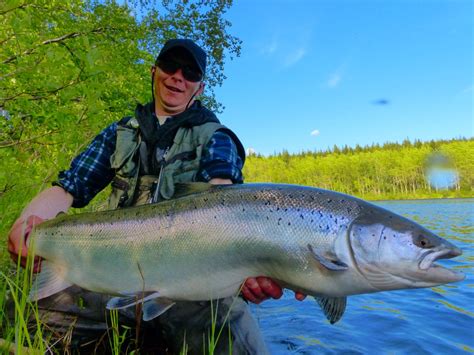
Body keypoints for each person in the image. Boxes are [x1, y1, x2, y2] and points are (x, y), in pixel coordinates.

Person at [7, 39, 305, 354]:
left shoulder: (216, 138)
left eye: (189, 72)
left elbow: (225, 202)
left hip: (192, 293)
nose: (178, 76)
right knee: (19, 311)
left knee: (237, 346)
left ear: (199, 88)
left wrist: (247, 267)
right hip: (111, 279)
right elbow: (70, 186)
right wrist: (25, 225)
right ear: (154, 71)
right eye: (170, 66)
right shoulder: (119, 133)